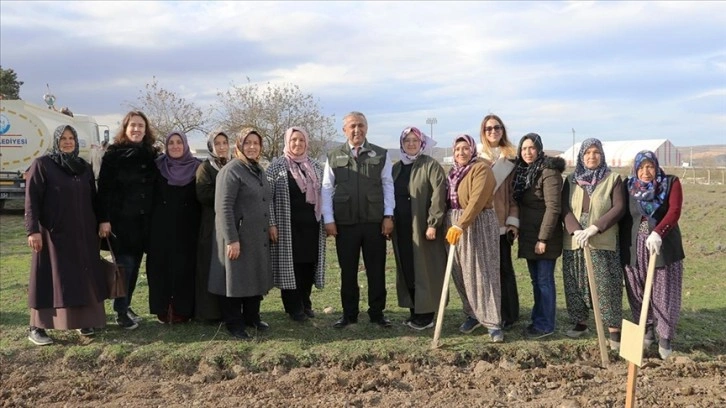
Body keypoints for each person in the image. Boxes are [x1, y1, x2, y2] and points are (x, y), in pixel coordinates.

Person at [24, 125, 107, 345]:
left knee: (81, 276)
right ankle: (37, 326)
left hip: (83, 234)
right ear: (55, 141)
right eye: (63, 138)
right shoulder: (42, 165)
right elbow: (31, 200)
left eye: (71, 138)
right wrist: (32, 230)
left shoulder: (84, 167)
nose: (68, 142)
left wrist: (102, 220)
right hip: (53, 235)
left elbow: (94, 198)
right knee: (49, 277)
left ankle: (82, 320)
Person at [321, 111, 394, 328]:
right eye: (352, 126)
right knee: (348, 270)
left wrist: (389, 215)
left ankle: (377, 313)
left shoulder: (380, 154)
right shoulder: (334, 156)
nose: (357, 130)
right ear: (344, 130)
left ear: (367, 128)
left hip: (374, 222)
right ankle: (349, 314)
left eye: (360, 125)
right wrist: (329, 219)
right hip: (345, 224)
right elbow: (326, 188)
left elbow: (387, 185)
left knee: (376, 269)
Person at [209, 128, 273, 340]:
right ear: (239, 146)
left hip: (256, 236)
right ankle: (234, 323)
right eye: (248, 143)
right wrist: (232, 239)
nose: (252, 147)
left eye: (256, 143)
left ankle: (252, 317)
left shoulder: (258, 170)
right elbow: (223, 207)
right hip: (238, 236)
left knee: (253, 275)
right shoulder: (232, 171)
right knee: (235, 279)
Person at [620, 150, 685, 360]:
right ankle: (646, 329)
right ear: (635, 169)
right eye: (641, 167)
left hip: (661, 246)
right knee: (637, 290)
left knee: (664, 291)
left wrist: (658, 232)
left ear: (656, 167)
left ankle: (665, 337)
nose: (645, 172)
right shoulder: (628, 186)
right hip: (634, 246)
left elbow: (674, 211)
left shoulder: (670, 183)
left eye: (650, 167)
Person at [561, 138, 625, 350]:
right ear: (581, 156)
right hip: (575, 238)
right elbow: (564, 209)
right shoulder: (571, 180)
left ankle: (613, 328)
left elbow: (619, 208)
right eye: (587, 153)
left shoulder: (613, 178)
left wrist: (595, 228)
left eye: (595, 152)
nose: (591, 156)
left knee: (606, 283)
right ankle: (581, 322)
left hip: (601, 237)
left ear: (602, 155)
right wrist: (576, 230)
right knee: (576, 281)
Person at [98, 111, 159, 330]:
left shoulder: (152, 154)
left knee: (135, 265)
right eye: (133, 125)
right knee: (125, 266)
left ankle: (127, 304)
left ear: (146, 129)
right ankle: (121, 311)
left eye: (141, 126)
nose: (137, 129)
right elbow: (103, 190)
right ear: (125, 128)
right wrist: (103, 219)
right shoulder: (113, 154)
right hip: (121, 222)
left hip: (144, 223)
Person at [444, 134, 503, 342]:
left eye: (465, 148)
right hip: (454, 223)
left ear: (472, 149)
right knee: (460, 272)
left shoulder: (481, 169)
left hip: (476, 224)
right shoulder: (453, 172)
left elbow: (477, 201)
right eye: (457, 149)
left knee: (481, 271)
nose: (461, 153)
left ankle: (493, 321)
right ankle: (472, 314)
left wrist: (461, 224)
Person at [266, 127, 327, 322]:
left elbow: (326, 194)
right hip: (287, 227)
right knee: (290, 266)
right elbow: (267, 199)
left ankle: (305, 302)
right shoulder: (276, 167)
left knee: (308, 264)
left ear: (306, 142)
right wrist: (272, 223)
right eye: (293, 140)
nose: (297, 144)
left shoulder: (316, 166)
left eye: (301, 140)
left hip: (311, 227)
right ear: (287, 142)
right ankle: (293, 307)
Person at [391, 126, 447, 330]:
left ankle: (427, 315)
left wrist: (433, 223)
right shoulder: (396, 168)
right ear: (402, 144)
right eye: (407, 141)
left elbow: (438, 196)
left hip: (423, 227)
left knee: (426, 268)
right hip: (402, 228)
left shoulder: (430, 165)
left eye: (415, 140)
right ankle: (414, 310)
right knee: (408, 267)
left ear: (421, 142)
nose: (411, 144)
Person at [512, 133, 565, 339]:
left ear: (539, 149)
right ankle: (538, 319)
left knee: (544, 280)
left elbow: (553, 208)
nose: (527, 152)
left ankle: (545, 325)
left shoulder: (548, 172)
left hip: (544, 236)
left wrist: (543, 239)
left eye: (531, 148)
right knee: (536, 281)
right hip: (529, 234)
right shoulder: (524, 171)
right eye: (524, 149)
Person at [146, 131, 201, 323]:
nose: (175, 146)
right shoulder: (158, 167)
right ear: (166, 146)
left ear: (185, 145)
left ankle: (183, 311)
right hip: (161, 229)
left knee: (185, 269)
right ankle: (163, 310)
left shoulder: (197, 168)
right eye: (171, 143)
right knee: (161, 269)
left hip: (189, 229)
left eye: (179, 142)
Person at [478, 114, 521, 330]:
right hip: (481, 223)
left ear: (502, 130)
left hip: (502, 223)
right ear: (483, 132)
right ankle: (487, 313)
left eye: (497, 127)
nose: (493, 131)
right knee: (485, 270)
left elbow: (515, 195)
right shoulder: (476, 157)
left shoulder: (512, 159)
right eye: (488, 129)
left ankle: (509, 314)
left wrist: (513, 222)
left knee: (505, 268)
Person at [194, 129, 231, 322]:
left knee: (228, 269)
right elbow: (203, 195)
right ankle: (209, 313)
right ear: (211, 146)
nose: (222, 147)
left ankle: (228, 311)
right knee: (210, 269)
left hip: (230, 226)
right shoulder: (205, 168)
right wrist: (227, 195)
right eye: (218, 143)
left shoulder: (233, 165)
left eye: (224, 142)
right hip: (211, 226)